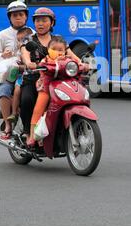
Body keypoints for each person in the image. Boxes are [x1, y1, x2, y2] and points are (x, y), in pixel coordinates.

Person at [19, 7, 83, 142]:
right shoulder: (28, 39)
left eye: (44, 20)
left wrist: (82, 64)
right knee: (27, 100)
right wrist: (29, 63)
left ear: (52, 23)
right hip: (35, 77)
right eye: (37, 21)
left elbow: (71, 55)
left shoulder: (57, 40)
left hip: (58, 78)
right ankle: (28, 132)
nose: (40, 24)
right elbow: (25, 53)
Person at [0, 1, 29, 140]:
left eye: (21, 14)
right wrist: (2, 56)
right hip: (11, 73)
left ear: (26, 17)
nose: (18, 17)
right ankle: (7, 124)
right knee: (4, 91)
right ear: (9, 18)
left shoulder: (32, 34)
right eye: (14, 15)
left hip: (29, 72)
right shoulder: (3, 35)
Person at [26, 36, 69, 148]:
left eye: (60, 50)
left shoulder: (67, 60)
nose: (58, 52)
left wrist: (83, 65)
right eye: (54, 49)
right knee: (38, 109)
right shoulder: (46, 60)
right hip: (46, 88)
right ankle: (32, 135)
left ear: (65, 51)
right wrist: (39, 65)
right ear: (49, 49)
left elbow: (77, 64)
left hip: (63, 89)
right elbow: (40, 65)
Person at [8, 26, 34, 126]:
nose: (20, 43)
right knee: (17, 90)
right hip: (23, 76)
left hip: (36, 75)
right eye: (18, 41)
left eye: (23, 40)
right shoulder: (19, 53)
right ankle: (14, 113)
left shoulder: (34, 51)